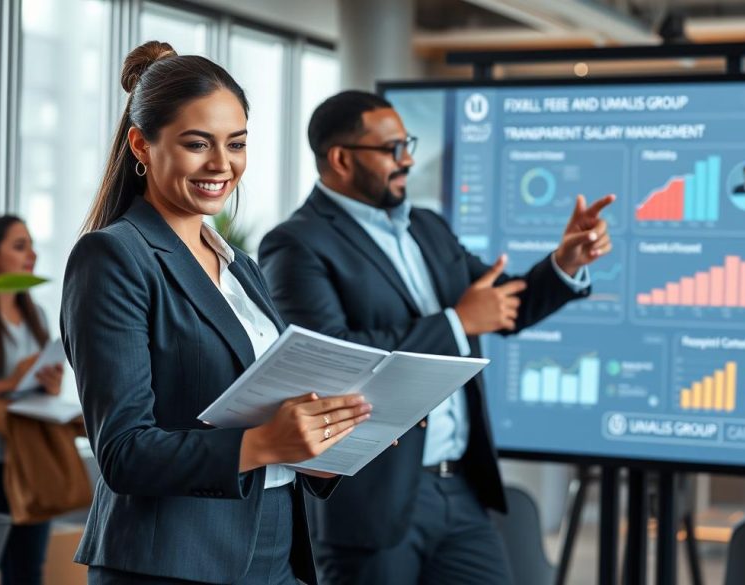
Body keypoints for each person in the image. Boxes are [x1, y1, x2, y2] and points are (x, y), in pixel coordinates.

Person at [259, 90, 615, 585]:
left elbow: (500, 305)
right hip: (374, 501)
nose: (407, 160)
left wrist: (565, 264)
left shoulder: (427, 227)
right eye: (392, 150)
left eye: (408, 144)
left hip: (459, 489)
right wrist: (455, 324)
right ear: (340, 158)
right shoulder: (296, 242)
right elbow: (333, 358)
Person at [61, 41, 370, 584]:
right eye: (197, 144)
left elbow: (255, 406)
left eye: (237, 144)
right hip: (172, 560)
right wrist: (268, 441)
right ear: (141, 144)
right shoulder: (114, 257)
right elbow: (124, 452)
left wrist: (328, 435)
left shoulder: (241, 267)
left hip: (273, 542)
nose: (221, 165)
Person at [0, 215, 63, 585]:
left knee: (27, 570)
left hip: (28, 457)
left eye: (31, 244)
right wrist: (6, 384)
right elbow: (6, 385)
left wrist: (50, 384)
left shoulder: (36, 314)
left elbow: (42, 385)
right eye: (19, 245)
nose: (32, 254)